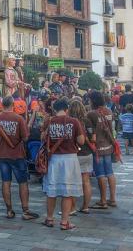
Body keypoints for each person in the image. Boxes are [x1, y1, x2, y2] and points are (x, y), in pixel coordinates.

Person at [0, 96, 39, 220]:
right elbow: (26, 138)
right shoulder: (18, 118)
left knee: (6, 182)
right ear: (13, 105)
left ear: (2, 105)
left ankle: (9, 210)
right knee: (22, 182)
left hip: (2, 154)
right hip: (17, 154)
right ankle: (25, 210)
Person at [41, 98, 85, 231]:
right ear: (67, 109)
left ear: (55, 109)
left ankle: (49, 218)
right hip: (69, 159)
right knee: (67, 192)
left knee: (51, 191)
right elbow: (81, 141)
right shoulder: (74, 121)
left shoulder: (49, 121)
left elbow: (42, 138)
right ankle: (65, 222)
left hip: (54, 159)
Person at [87, 91, 118, 209]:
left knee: (100, 174)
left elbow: (91, 132)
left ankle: (103, 200)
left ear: (93, 101)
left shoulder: (91, 114)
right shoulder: (109, 111)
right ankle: (113, 199)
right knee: (110, 172)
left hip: (97, 148)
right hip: (109, 146)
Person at [67, 99, 93, 215]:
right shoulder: (87, 121)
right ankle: (85, 207)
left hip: (74, 154)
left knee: (72, 182)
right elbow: (93, 138)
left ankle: (72, 208)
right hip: (87, 153)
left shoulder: (70, 121)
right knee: (86, 181)